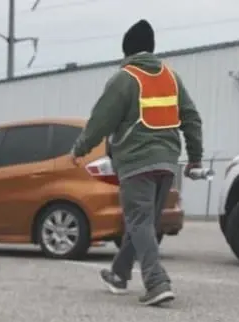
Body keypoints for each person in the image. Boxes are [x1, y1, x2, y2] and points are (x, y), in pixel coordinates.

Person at [70, 19, 204, 306]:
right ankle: (119, 274)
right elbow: (191, 118)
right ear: (152, 49)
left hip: (136, 162)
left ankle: (157, 282)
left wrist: (79, 149)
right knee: (143, 222)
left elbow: (100, 121)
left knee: (139, 221)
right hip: (168, 163)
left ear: (126, 51)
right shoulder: (171, 77)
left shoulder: (124, 78)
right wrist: (194, 158)